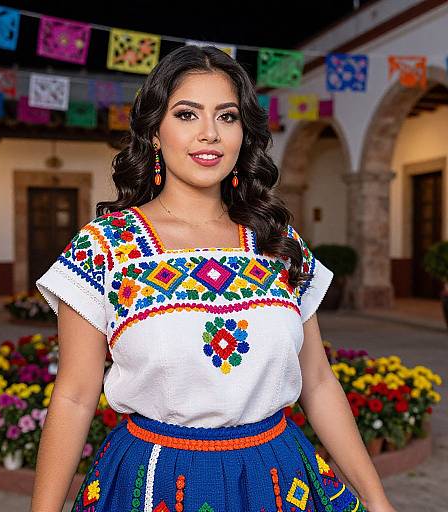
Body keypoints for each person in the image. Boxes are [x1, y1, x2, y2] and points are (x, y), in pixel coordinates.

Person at [31, 45, 396, 512]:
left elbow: (318, 381)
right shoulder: (106, 248)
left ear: (244, 134)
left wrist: (378, 500)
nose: (209, 134)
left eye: (227, 117)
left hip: (280, 478)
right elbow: (76, 396)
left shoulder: (274, 241)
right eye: (187, 114)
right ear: (155, 134)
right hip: (155, 480)